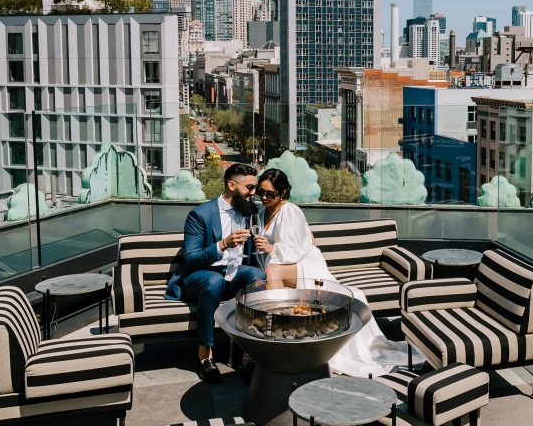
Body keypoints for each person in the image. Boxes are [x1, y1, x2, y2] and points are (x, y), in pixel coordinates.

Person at [253, 168, 416, 377]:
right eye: (261, 192)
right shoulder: (261, 212)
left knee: (273, 272)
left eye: (270, 194)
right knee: (271, 275)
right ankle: (290, 337)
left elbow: (296, 249)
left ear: (283, 192)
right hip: (285, 263)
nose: (264, 197)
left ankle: (276, 335)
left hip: (303, 261)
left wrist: (271, 249)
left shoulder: (290, 211)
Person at [166, 162, 267, 383]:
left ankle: (247, 351)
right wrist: (223, 244)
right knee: (213, 280)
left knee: (257, 276)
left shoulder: (251, 210)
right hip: (201, 276)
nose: (254, 193)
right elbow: (191, 260)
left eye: (255, 188)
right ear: (232, 185)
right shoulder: (200, 214)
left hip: (233, 275)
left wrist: (306, 235)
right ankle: (205, 355)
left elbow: (281, 213)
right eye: (250, 188)